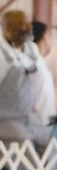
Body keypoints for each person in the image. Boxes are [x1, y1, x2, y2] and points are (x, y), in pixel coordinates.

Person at [0, 10, 52, 148]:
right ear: (6, 27)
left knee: (48, 142)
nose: (25, 27)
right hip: (5, 121)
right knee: (25, 147)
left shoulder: (32, 50)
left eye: (26, 22)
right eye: (19, 24)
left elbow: (41, 84)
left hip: (32, 117)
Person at [29, 19, 54, 129]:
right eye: (49, 35)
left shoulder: (40, 62)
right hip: (35, 124)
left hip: (43, 122)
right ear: (43, 38)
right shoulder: (33, 63)